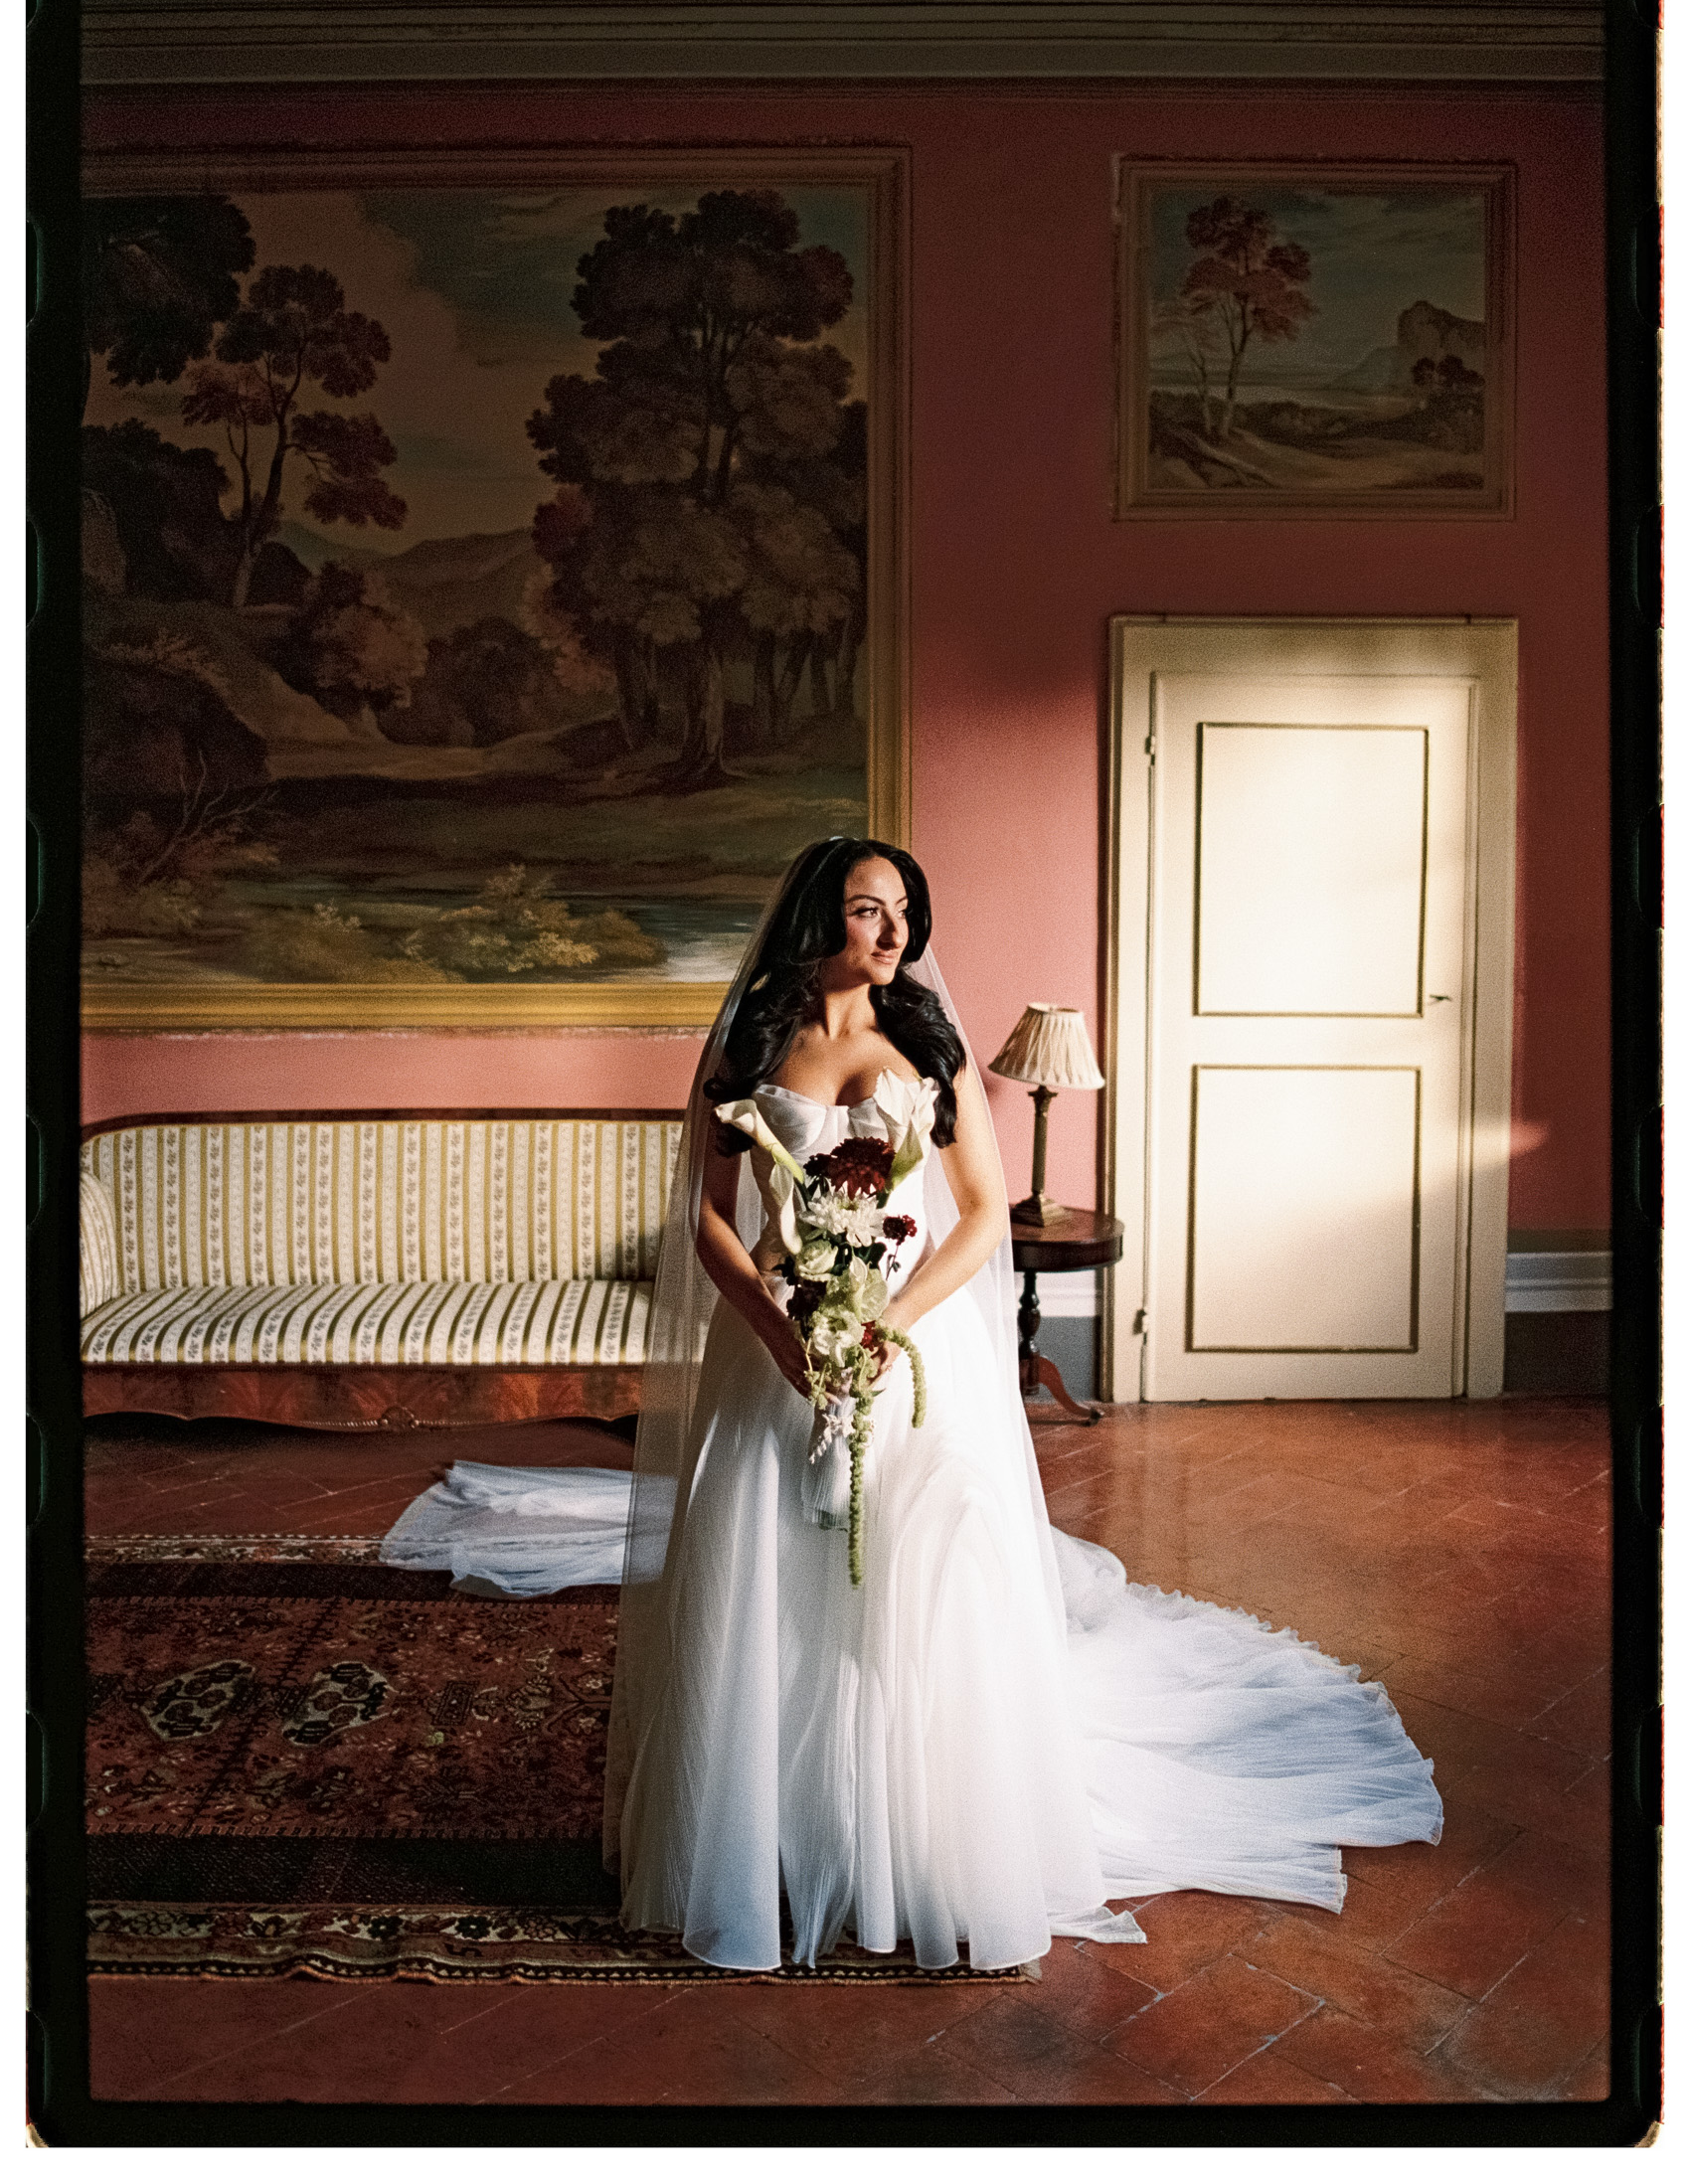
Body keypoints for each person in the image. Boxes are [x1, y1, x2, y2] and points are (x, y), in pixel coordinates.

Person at [602, 837, 1443, 1974]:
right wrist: (779, 1331)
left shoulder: (926, 1046)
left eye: (905, 911)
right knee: (771, 1587)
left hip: (912, 1342)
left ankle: (917, 1834)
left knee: (914, 1587)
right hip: (778, 1345)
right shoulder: (751, 1039)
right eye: (867, 910)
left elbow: (981, 1213)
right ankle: (776, 1829)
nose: (895, 933)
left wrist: (890, 1327)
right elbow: (708, 1217)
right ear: (814, 918)